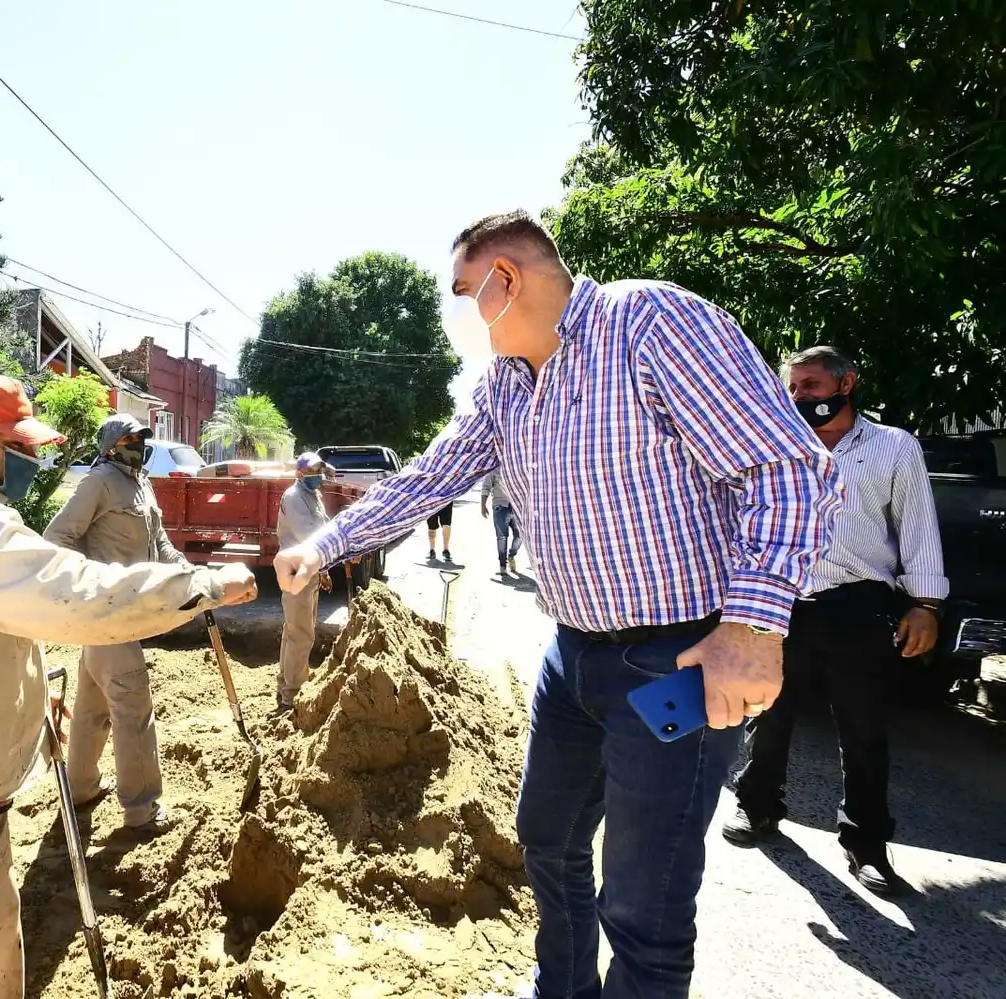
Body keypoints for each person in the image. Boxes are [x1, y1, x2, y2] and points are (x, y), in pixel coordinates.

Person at [273, 211, 841, 999]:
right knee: (547, 838)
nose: (457, 313)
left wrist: (751, 626)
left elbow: (786, 469)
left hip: (675, 661)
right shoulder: (504, 384)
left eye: (463, 291)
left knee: (643, 899)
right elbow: (429, 476)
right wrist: (324, 543)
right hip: (573, 657)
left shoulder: (650, 324)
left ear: (507, 279)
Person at [0, 377, 256, 999]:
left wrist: (26, 699)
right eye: (18, 447)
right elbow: (74, 595)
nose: (31, 461)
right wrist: (205, 585)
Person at [724, 346, 947, 896]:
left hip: (857, 604)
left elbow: (917, 526)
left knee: (863, 728)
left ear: (847, 384)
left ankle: (867, 844)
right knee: (768, 713)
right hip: (782, 600)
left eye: (812, 386)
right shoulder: (777, 442)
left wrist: (925, 604)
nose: (799, 396)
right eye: (793, 387)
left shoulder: (893, 446)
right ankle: (756, 805)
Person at [44, 414, 188, 835]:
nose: (138, 446)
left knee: (93, 708)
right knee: (133, 706)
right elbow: (57, 538)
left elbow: (160, 542)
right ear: (110, 446)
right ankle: (142, 810)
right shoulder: (99, 482)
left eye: (142, 440)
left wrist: (187, 572)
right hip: (107, 614)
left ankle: (80, 788)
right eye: (129, 440)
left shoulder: (141, 483)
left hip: (129, 614)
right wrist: (90, 588)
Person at [274, 452, 333, 712]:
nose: (318, 475)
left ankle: (285, 685)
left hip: (309, 572)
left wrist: (324, 570)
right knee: (301, 635)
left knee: (295, 631)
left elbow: (322, 527)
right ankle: (292, 695)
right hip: (297, 573)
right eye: (312, 471)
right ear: (299, 474)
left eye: (319, 470)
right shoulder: (294, 496)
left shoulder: (313, 495)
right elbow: (310, 535)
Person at [480, 469, 522, 575]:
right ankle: (503, 565)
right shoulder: (494, 469)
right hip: (500, 506)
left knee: (520, 534)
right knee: (502, 537)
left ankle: (511, 555)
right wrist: (483, 506)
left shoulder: (517, 466)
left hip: (517, 507)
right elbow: (486, 487)